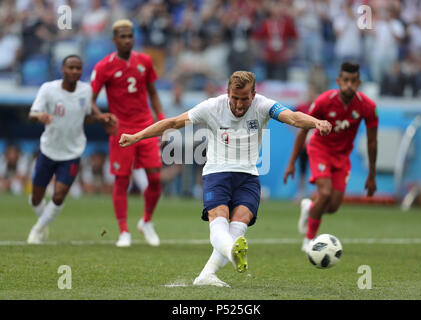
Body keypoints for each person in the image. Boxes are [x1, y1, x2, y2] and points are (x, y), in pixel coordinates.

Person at [119, 71, 331, 287]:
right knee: (219, 221)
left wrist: (316, 122)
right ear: (228, 93)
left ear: (254, 94)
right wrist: (137, 136)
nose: (239, 105)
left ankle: (206, 275)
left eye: (245, 99)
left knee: (239, 226)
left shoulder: (264, 105)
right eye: (235, 98)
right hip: (217, 173)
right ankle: (232, 252)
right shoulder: (211, 107)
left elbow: (294, 117)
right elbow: (173, 123)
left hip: (248, 176)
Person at [283, 62, 378, 252]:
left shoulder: (368, 106)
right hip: (320, 149)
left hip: (342, 157)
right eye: (345, 80)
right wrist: (292, 162)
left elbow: (372, 142)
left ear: (358, 82)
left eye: (353, 81)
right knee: (324, 193)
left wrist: (372, 175)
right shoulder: (324, 101)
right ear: (338, 81)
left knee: (333, 206)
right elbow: (303, 129)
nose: (349, 84)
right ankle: (308, 240)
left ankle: (310, 208)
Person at [90, 19, 166, 247]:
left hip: (145, 126)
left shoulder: (144, 61)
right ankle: (124, 230)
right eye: (122, 37)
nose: (127, 40)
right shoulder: (104, 66)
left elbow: (153, 92)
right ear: (114, 40)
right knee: (121, 180)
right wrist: (101, 116)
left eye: (130, 36)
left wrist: (161, 118)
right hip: (121, 129)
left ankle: (146, 221)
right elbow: (90, 101)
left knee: (155, 179)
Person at [26, 55, 114, 244]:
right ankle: (43, 222)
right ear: (63, 69)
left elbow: (87, 117)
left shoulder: (86, 91)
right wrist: (40, 115)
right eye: (71, 67)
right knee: (36, 198)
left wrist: (100, 118)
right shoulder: (48, 89)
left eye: (78, 68)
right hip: (48, 150)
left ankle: (38, 228)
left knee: (58, 195)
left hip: (72, 153)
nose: (75, 71)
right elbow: (32, 115)